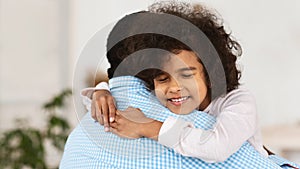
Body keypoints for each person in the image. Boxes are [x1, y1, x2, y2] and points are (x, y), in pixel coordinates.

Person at [61, 1, 299, 168]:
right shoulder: (171, 101)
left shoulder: (238, 102)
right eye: (162, 78)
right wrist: (100, 94)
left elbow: (217, 147)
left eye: (186, 74)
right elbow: (131, 94)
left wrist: (150, 128)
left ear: (210, 72)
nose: (174, 87)